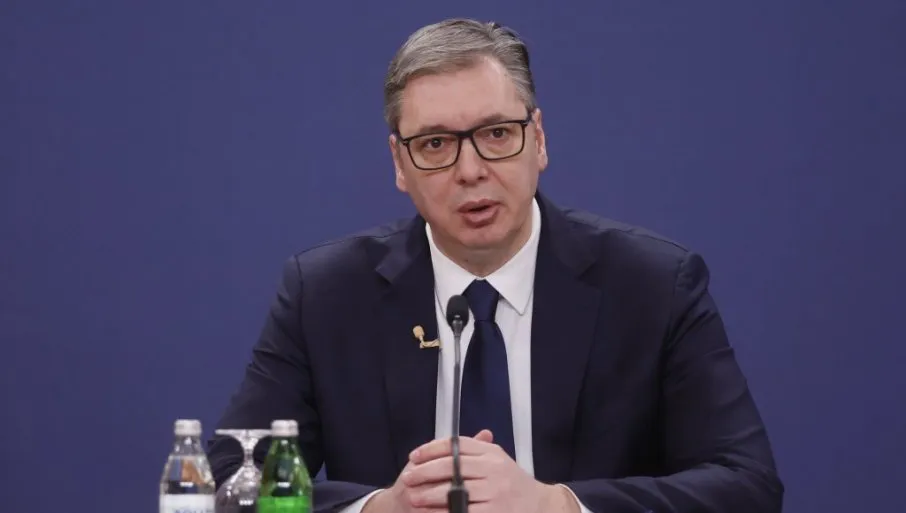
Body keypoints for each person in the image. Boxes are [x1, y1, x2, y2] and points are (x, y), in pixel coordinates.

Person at [207, 17, 783, 513]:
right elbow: (225, 484)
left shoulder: (652, 286)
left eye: (497, 133)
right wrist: (380, 508)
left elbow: (747, 485)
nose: (471, 170)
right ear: (399, 164)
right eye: (435, 144)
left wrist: (556, 504)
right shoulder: (327, 294)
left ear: (539, 140)